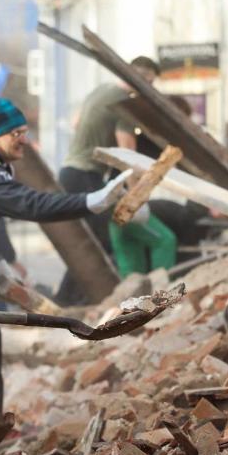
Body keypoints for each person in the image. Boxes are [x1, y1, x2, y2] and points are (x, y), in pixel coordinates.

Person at [0, 98, 130, 429]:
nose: (24, 139)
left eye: (25, 131)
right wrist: (92, 201)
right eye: (15, 133)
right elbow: (30, 204)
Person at [56, 56, 160, 304]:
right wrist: (138, 197)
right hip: (84, 175)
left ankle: (68, 300)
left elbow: (76, 122)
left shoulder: (102, 90)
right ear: (141, 79)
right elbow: (128, 154)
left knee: (88, 242)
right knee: (100, 242)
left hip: (70, 171)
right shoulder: (125, 103)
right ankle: (79, 301)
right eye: (150, 83)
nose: (150, 90)